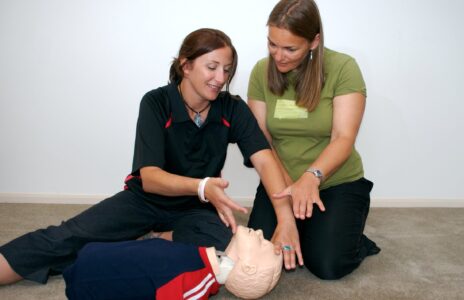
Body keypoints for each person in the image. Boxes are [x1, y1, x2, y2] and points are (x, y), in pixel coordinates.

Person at [0, 28, 291, 285]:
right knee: (67, 237)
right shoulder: (156, 102)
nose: (220, 78)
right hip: (145, 201)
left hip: (196, 211)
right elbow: (150, 178)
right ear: (186, 65)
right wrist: (202, 186)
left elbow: (265, 159)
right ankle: (134, 241)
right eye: (212, 67)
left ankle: (151, 240)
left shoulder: (232, 109)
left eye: (227, 70)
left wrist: (285, 219)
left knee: (229, 250)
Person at [246, 0, 381, 280]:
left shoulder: (343, 68)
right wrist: (287, 206)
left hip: (334, 182)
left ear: (314, 41)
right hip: (281, 182)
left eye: (290, 48)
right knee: (267, 259)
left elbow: (343, 138)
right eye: (272, 44)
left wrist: (311, 177)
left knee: (328, 264)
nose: (278, 56)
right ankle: (308, 227)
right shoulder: (261, 71)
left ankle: (352, 238)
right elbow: (262, 143)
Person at [63, 226, 282, 300]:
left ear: (248, 267)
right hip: (93, 256)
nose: (261, 232)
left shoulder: (199, 281)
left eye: (262, 244)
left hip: (88, 280)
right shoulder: (204, 257)